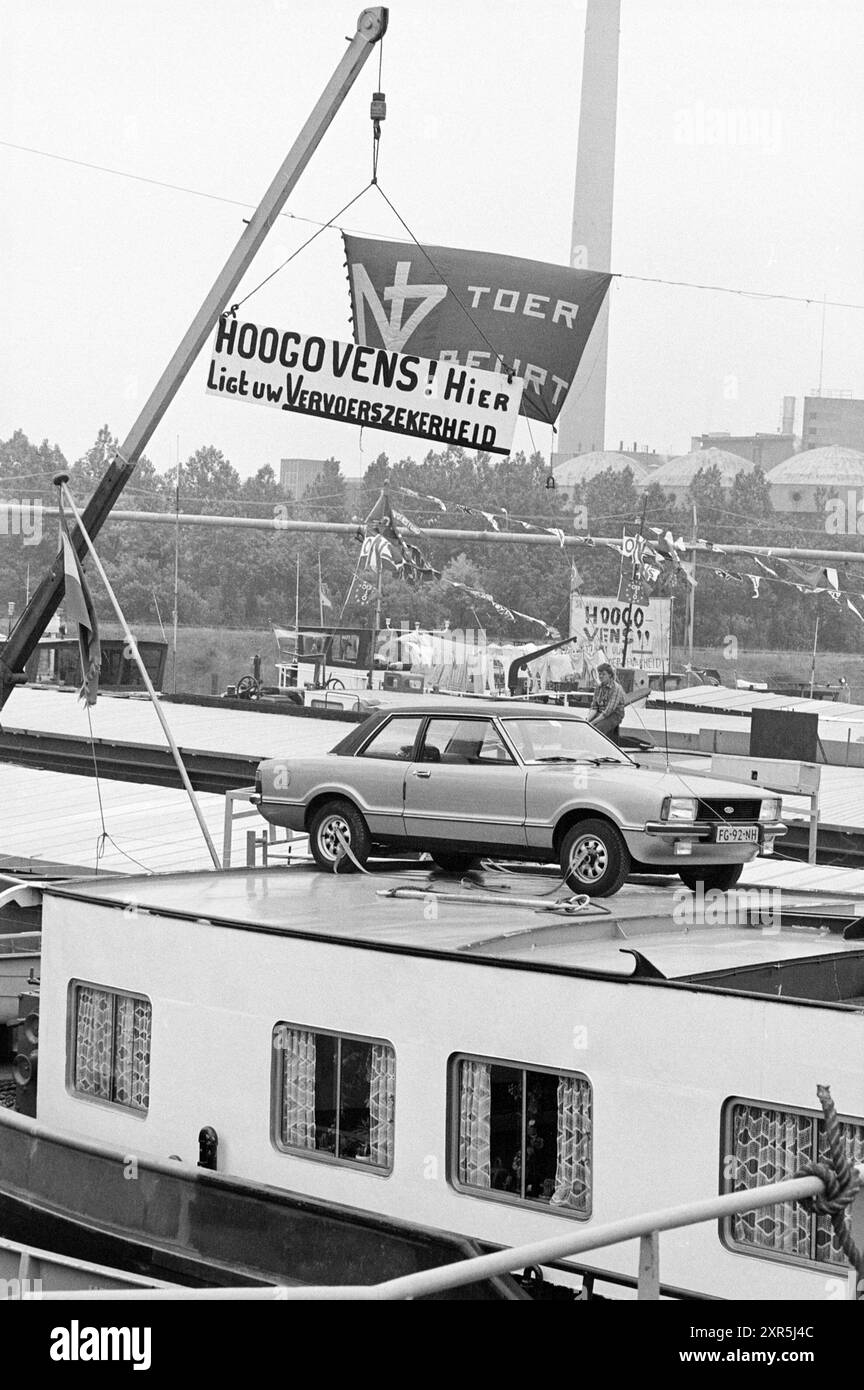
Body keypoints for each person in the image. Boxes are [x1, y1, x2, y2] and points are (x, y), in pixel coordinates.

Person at [588, 662, 626, 743]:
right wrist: (587, 721)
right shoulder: (598, 687)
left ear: (610, 675)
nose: (600, 676)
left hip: (614, 714)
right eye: (599, 674)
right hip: (601, 713)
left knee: (597, 730)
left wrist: (592, 723)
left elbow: (608, 712)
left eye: (603, 674)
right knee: (586, 726)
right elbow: (594, 707)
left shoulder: (616, 688)